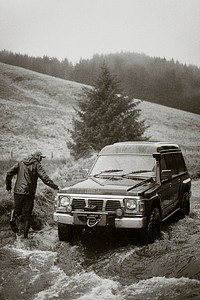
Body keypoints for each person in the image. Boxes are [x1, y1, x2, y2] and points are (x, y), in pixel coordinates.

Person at [6, 150, 60, 239]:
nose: (41, 160)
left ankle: (13, 219)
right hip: (29, 193)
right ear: (37, 157)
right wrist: (56, 187)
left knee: (17, 208)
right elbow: (45, 178)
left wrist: (8, 186)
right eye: (41, 158)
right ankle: (25, 237)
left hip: (18, 191)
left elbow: (9, 173)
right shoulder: (36, 165)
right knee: (27, 215)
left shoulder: (20, 163)